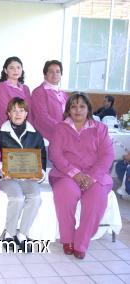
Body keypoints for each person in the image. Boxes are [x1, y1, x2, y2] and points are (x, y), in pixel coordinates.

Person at [49, 92, 114, 259]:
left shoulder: (100, 129)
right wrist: (75, 174)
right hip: (66, 174)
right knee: (66, 193)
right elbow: (55, 154)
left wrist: (91, 177)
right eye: (73, 106)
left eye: (82, 106)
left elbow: (107, 156)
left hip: (95, 175)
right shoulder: (60, 128)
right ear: (68, 110)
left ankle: (81, 242)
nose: (78, 110)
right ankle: (67, 239)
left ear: (89, 109)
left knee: (96, 199)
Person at [0, 97, 46, 251]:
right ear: (8, 113)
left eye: (21, 110)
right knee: (16, 197)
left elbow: (41, 158)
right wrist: (1, 169)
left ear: (26, 113)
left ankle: (22, 234)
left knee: (36, 197)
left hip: (28, 178)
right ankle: (9, 234)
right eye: (14, 110)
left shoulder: (36, 135)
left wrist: (39, 174)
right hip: (6, 178)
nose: (17, 114)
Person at [31, 60, 68, 142]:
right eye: (51, 71)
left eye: (58, 72)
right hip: (47, 137)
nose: (55, 74)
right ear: (45, 74)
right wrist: (62, 128)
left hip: (64, 135)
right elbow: (42, 117)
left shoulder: (63, 94)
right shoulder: (38, 92)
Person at [0, 56, 32, 126]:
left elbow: (29, 111)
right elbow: (3, 111)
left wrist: (29, 127)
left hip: (26, 128)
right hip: (8, 128)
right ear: (5, 70)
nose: (15, 70)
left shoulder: (26, 88)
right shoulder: (1, 87)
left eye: (18, 67)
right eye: (12, 68)